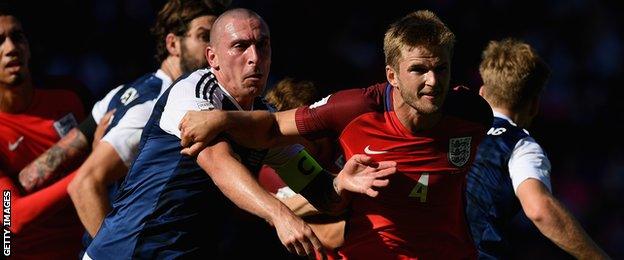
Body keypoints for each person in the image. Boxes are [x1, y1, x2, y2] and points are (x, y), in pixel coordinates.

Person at [178, 10, 494, 259]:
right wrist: (222, 119)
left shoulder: (473, 115)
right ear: (392, 75)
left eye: (441, 68)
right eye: (418, 70)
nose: (433, 82)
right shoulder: (353, 108)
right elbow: (274, 128)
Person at [85, 8, 396, 259]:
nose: (254, 58)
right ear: (212, 57)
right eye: (240, 46)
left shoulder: (262, 122)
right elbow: (216, 161)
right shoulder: (195, 91)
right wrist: (280, 215)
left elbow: (323, 195)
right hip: (127, 250)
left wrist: (340, 184)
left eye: (262, 45)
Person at [464, 38, 610, 259]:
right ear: (534, 106)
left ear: (482, 93)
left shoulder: (451, 129)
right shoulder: (520, 146)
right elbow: (539, 209)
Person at [0, 6, 88, 259]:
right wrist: (91, 172)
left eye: (17, 37)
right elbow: (11, 216)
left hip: (86, 248)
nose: (10, 48)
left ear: (27, 45)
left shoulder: (69, 99)